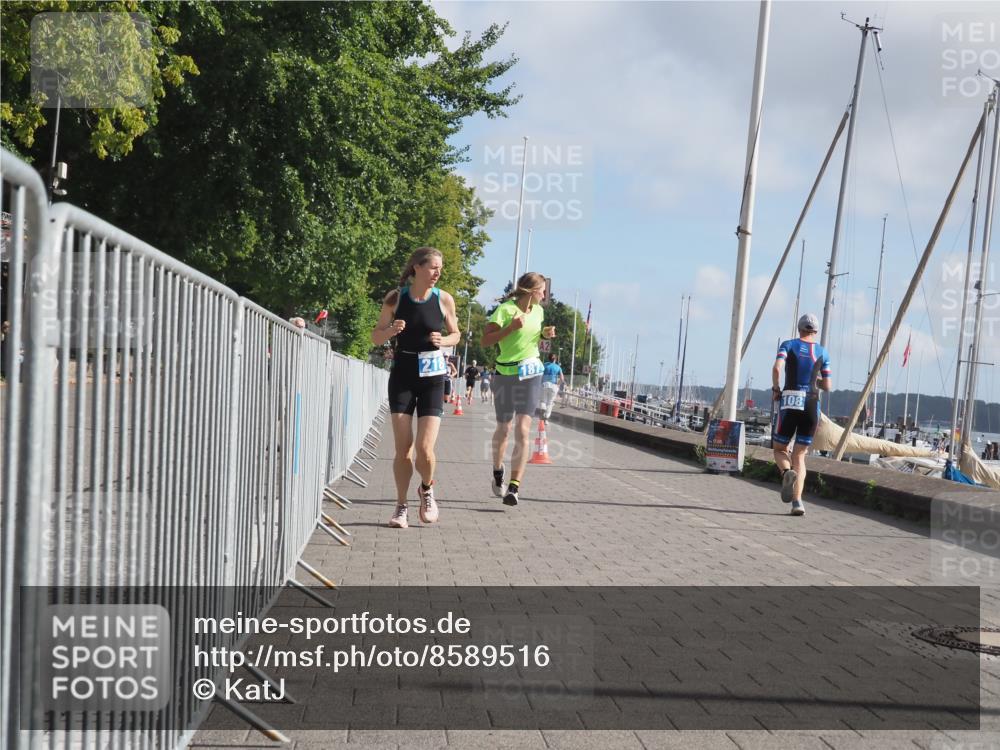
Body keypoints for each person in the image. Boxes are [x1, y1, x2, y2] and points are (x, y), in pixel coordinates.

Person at [371, 247, 461, 529]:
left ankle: (427, 488)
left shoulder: (444, 299)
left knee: (425, 449)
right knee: (403, 448)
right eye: (433, 267)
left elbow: (456, 333)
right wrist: (391, 332)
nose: (438, 273)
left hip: (433, 377)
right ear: (417, 268)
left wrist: (444, 340)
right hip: (403, 375)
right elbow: (375, 336)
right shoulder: (395, 299)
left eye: (440, 268)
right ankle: (401, 506)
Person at [481, 272, 556, 506]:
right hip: (505, 374)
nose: (545, 295)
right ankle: (497, 471)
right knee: (504, 428)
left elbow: (532, 336)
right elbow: (486, 340)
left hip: (531, 373)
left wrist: (544, 334)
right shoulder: (505, 311)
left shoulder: (539, 312)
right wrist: (510, 328)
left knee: (523, 429)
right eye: (542, 290)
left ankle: (514, 487)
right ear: (532, 291)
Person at [771, 313, 832, 517]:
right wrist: (814, 382)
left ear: (799, 328)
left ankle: (786, 472)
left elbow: (777, 369)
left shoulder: (788, 345)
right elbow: (828, 386)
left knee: (780, 449)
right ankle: (797, 502)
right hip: (811, 403)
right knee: (800, 455)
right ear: (815, 331)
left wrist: (776, 388)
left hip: (789, 400)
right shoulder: (823, 352)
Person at [537, 354, 565, 420]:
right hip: (553, 385)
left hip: (544, 384)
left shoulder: (544, 365)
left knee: (543, 401)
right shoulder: (558, 367)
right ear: (555, 359)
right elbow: (562, 379)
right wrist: (558, 385)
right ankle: (546, 417)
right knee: (550, 402)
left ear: (549, 358)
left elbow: (539, 374)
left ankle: (543, 408)